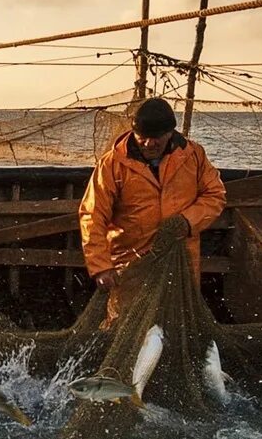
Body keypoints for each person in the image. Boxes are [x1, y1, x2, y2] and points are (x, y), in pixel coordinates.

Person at [79, 96, 227, 292]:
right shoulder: (111, 164)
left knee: (173, 318)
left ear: (170, 133)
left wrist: (187, 222)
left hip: (180, 262)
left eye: (156, 138)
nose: (149, 144)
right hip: (130, 264)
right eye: (142, 137)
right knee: (130, 319)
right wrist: (101, 267)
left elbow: (215, 195)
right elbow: (93, 214)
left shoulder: (194, 155)